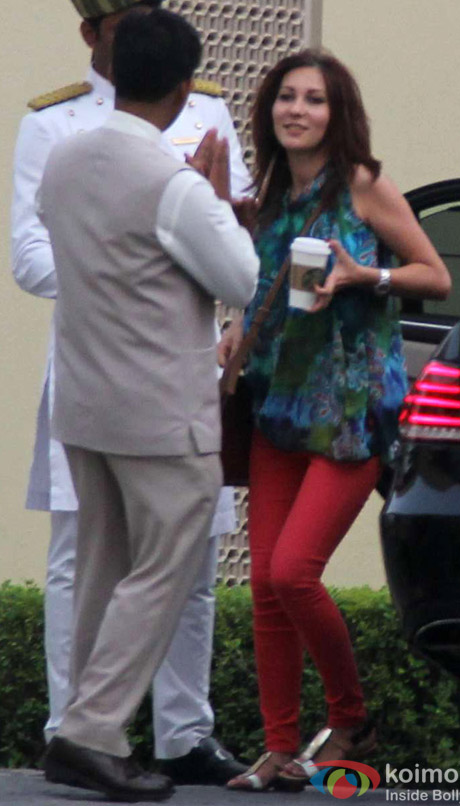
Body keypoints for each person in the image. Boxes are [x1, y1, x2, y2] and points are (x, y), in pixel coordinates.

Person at [11, 0, 251, 785]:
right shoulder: (173, 182)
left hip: (87, 399)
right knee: (164, 570)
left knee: (100, 569)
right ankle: (90, 730)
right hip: (161, 407)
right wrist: (213, 205)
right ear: (182, 89)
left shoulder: (69, 155)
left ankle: (89, 732)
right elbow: (240, 278)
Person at [220, 49, 451, 792]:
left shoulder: (361, 183)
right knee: (264, 585)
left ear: (336, 112)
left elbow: (436, 275)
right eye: (286, 97)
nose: (297, 110)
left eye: (313, 100)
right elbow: (258, 285)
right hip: (278, 407)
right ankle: (279, 748)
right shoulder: (267, 196)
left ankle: (351, 717)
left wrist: (363, 274)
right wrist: (236, 329)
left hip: (351, 411)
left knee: (294, 573)